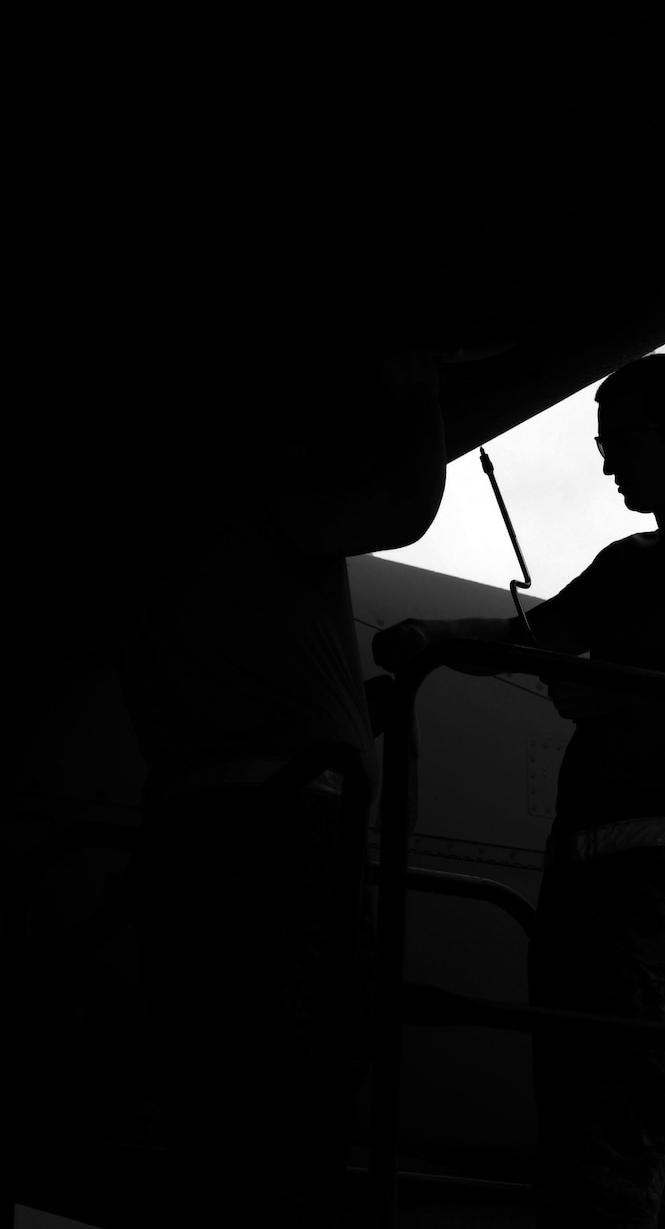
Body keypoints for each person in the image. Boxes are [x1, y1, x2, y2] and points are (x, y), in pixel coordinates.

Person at [373, 352, 665, 1229]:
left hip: (661, 875)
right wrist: (433, 639)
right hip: (579, 876)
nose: (609, 461)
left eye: (623, 440)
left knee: (618, 1119)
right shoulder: (622, 562)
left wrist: (620, 692)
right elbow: (534, 636)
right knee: (596, 1128)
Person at [112, 344, 452, 1227]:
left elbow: (256, 683)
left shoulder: (153, 540)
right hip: (281, 838)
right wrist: (418, 374)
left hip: (186, 834)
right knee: (296, 1083)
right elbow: (406, 504)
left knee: (218, 1099)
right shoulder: (268, 506)